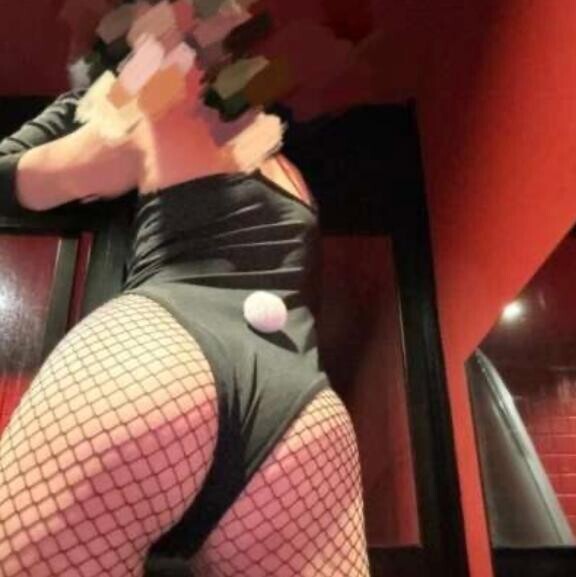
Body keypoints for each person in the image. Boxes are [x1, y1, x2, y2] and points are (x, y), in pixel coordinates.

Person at [0, 1, 371, 576]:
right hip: (240, 377)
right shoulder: (125, 85)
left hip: (257, 386)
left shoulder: (253, 121)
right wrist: (87, 155)